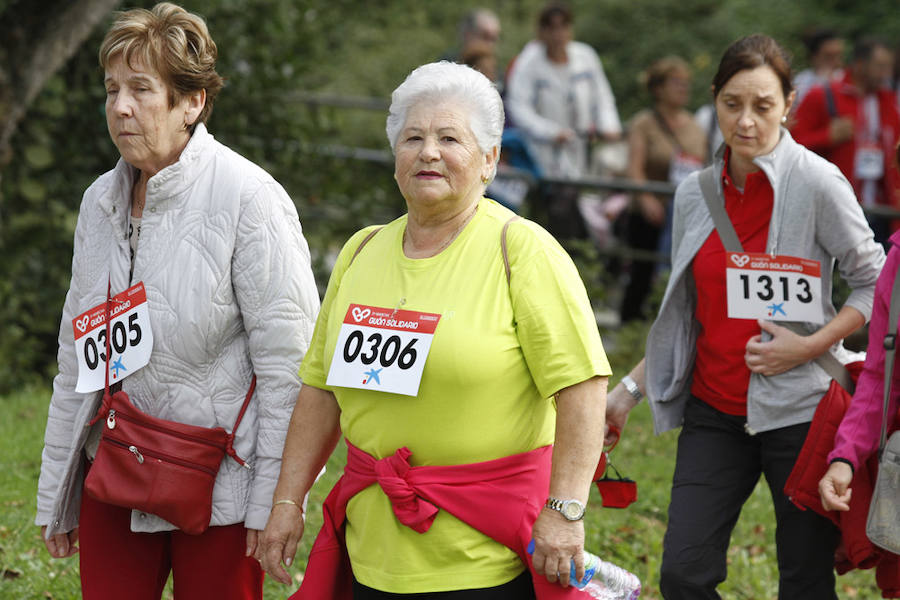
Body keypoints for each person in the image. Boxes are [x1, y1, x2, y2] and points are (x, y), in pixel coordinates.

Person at [257, 61, 611, 599]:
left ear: (490, 159)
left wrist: (565, 510)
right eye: (413, 137)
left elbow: (582, 387)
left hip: (486, 551)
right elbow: (320, 389)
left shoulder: (523, 250)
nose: (428, 152)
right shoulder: (361, 251)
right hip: (371, 548)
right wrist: (288, 500)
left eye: (450, 138)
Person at [34, 4, 319, 599]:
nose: (120, 107)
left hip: (221, 488)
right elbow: (76, 355)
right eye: (112, 89)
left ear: (192, 103)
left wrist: (274, 502)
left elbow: (290, 370)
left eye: (141, 89)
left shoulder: (250, 199)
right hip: (112, 471)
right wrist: (55, 492)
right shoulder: (99, 202)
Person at [603, 34, 885, 599]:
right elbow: (686, 318)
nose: (747, 121)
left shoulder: (818, 182)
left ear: (789, 104)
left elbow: (877, 284)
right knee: (683, 574)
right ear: (715, 100)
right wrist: (627, 392)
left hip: (802, 414)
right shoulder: (693, 194)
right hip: (714, 414)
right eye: (732, 104)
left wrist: (810, 346)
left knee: (803, 583)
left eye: (763, 105)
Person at [505, 1, 622, 240]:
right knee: (553, 212)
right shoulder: (529, 63)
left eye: (563, 26)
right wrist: (550, 132)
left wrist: (609, 126)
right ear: (541, 31)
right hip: (543, 152)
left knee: (587, 203)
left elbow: (602, 96)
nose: (558, 34)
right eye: (551, 27)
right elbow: (518, 107)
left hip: (582, 146)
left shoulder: (585, 56)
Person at [620, 56, 707, 323]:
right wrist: (645, 198)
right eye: (675, 83)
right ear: (658, 88)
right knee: (642, 273)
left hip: (684, 213)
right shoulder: (644, 123)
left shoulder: (695, 125)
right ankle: (630, 329)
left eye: (685, 83)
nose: (683, 89)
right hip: (650, 213)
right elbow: (634, 167)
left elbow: (703, 167)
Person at [791, 37, 900, 244]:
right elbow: (791, 146)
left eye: (888, 67)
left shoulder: (888, 102)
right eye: (880, 67)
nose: (886, 74)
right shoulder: (822, 95)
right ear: (859, 64)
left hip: (882, 212)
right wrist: (827, 136)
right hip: (835, 209)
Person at [792, 28, 845, 107]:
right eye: (829, 57)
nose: (837, 62)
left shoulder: (847, 79)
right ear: (814, 57)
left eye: (839, 56)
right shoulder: (801, 82)